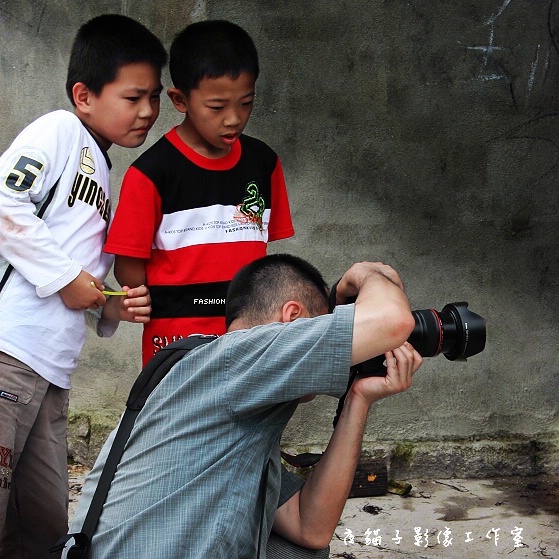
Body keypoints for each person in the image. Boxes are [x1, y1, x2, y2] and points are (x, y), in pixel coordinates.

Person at [67, 254, 423, 558]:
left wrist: (358, 400)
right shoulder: (235, 357)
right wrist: (367, 273)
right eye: (321, 328)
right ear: (292, 318)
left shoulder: (227, 391)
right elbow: (394, 323)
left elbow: (309, 528)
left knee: (293, 551)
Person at [0, 14, 167, 558]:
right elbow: (3, 200)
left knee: (44, 524)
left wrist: (115, 305)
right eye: (133, 96)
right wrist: (68, 279)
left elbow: (85, 281)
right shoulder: (59, 132)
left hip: (51, 374)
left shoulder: (101, 168)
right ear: (84, 95)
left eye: (154, 97)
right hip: (10, 353)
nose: (148, 112)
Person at [103, 20, 295, 367]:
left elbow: (263, 255)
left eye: (246, 103)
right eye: (217, 107)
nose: (234, 119)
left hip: (250, 336)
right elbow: (129, 270)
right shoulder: (152, 173)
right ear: (180, 99)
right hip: (177, 343)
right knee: (178, 419)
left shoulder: (264, 163)